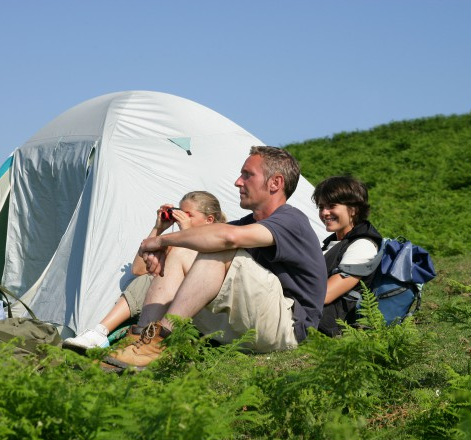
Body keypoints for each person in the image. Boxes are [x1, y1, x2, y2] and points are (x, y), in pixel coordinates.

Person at [102, 146, 327, 371]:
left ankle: (162, 339)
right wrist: (162, 241)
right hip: (248, 328)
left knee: (217, 245)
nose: (238, 182)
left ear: (275, 183)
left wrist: (162, 242)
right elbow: (144, 268)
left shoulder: (292, 220)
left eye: (247, 175)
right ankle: (142, 339)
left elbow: (227, 238)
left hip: (289, 327)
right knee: (186, 250)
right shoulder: (244, 224)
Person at [63, 191, 227, 351]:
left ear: (209, 220)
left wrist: (186, 232)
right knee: (145, 280)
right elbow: (139, 269)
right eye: (179, 213)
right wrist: (158, 228)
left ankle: (135, 338)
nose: (181, 218)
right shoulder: (176, 241)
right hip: (173, 308)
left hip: (203, 307)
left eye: (189, 215)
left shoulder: (221, 237)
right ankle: (100, 332)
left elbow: (203, 278)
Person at [312, 175, 382, 336]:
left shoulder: (362, 245)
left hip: (326, 324)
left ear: (354, 209)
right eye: (321, 207)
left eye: (332, 206)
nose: (325, 213)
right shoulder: (333, 244)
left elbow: (325, 295)